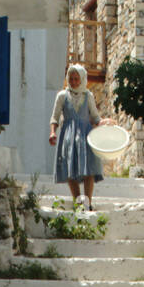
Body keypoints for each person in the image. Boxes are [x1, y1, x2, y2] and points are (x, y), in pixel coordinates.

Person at [49, 64, 112, 212]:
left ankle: (87, 203)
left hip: (85, 134)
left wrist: (105, 122)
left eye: (77, 78)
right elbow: (55, 117)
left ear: (82, 79)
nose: (74, 82)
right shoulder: (62, 96)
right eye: (71, 79)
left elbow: (95, 117)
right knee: (70, 168)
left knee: (89, 168)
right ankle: (77, 202)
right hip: (68, 136)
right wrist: (53, 132)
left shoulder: (88, 95)